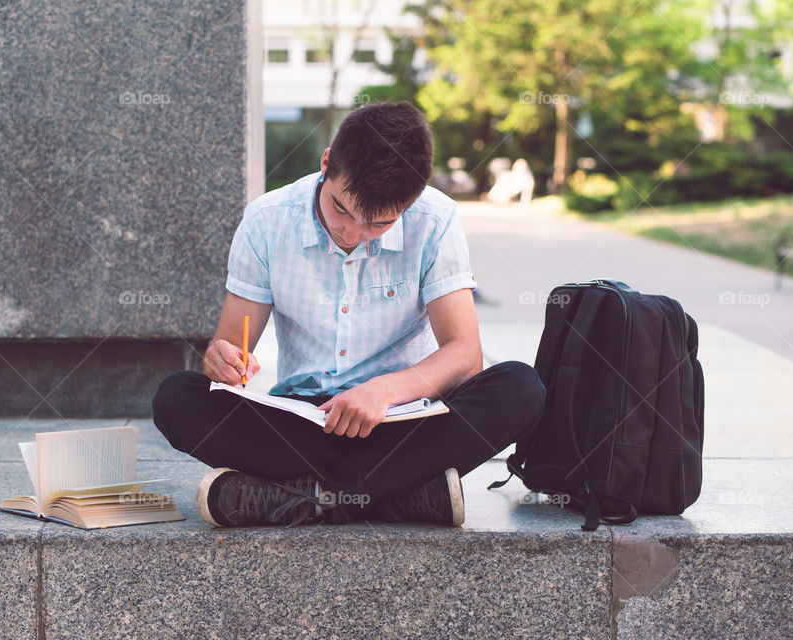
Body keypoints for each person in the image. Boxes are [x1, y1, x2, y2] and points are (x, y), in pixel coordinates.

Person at [153, 102, 546, 528]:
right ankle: (397, 494)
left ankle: (301, 497)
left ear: (411, 201)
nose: (353, 235)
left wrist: (382, 391)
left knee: (521, 387)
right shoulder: (266, 221)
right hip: (302, 423)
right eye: (341, 209)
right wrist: (223, 360)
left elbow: (464, 355)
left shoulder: (436, 220)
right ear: (326, 164)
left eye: (379, 223)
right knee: (176, 397)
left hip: (403, 421)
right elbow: (231, 349)